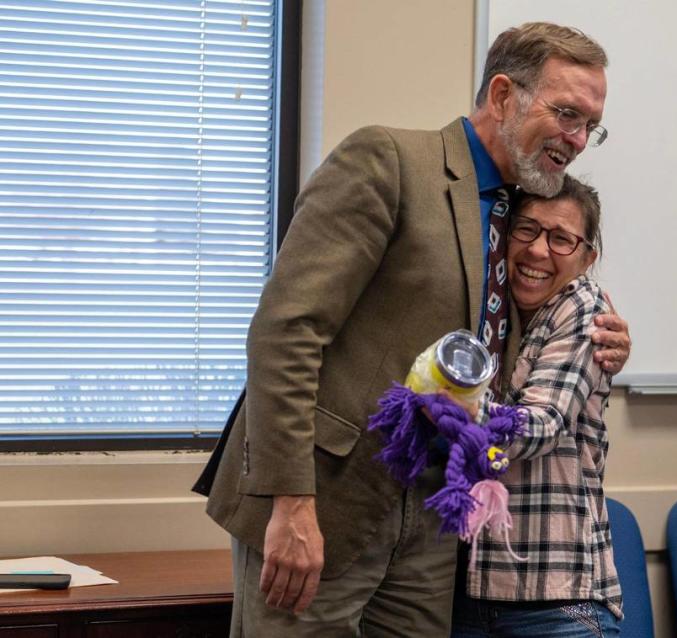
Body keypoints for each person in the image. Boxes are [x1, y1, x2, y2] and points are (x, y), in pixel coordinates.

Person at [193, 22, 632, 637]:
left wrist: (613, 338)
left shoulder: (526, 216)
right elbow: (286, 330)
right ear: (503, 95)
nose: (578, 138)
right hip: (328, 504)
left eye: (590, 125)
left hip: (432, 522)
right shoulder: (390, 160)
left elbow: (516, 335)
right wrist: (291, 502)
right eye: (566, 113)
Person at [449, 176, 623, 637]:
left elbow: (543, 425)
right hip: (468, 589)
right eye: (527, 230)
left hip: (554, 599)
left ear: (588, 258)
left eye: (562, 239)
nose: (539, 251)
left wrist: (446, 406)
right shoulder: (488, 307)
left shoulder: (583, 307)